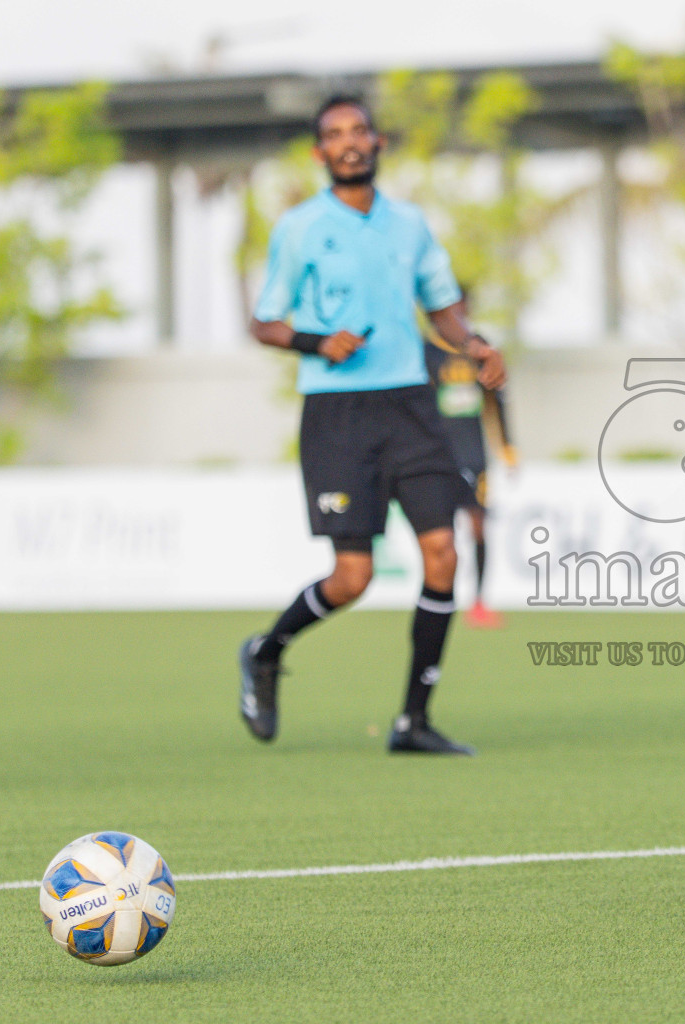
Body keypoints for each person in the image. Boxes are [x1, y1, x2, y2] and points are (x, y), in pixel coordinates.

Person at [240, 94, 507, 756]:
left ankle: (413, 721)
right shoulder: (299, 228)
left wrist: (472, 343)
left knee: (442, 551)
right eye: (335, 134)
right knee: (352, 576)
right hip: (339, 415)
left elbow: (441, 305)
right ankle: (267, 650)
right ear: (319, 153)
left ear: (378, 142)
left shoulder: (410, 225)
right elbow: (264, 322)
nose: (350, 142)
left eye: (359, 130)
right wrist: (313, 342)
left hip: (410, 405)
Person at [424, 295, 517, 628]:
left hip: (473, 452)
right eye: (452, 311)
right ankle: (439, 599)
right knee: (440, 535)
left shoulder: (481, 350)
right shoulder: (425, 353)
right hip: (437, 456)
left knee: (478, 526)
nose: (459, 317)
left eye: (462, 310)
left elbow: (497, 399)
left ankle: (478, 601)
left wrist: (507, 448)